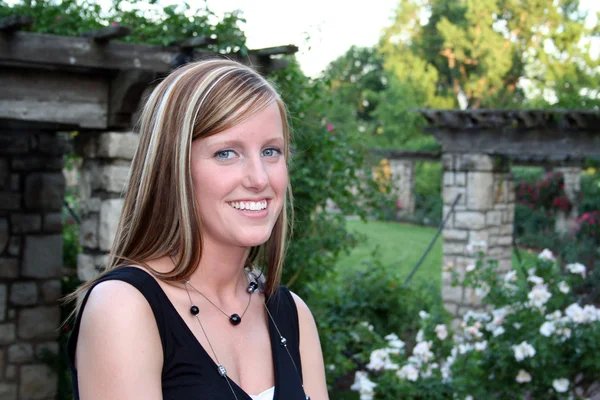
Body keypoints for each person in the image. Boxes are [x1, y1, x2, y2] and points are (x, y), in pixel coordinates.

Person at [66, 59, 329, 400]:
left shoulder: (292, 314)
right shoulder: (125, 309)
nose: (260, 178)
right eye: (226, 153)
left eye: (270, 151)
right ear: (173, 167)